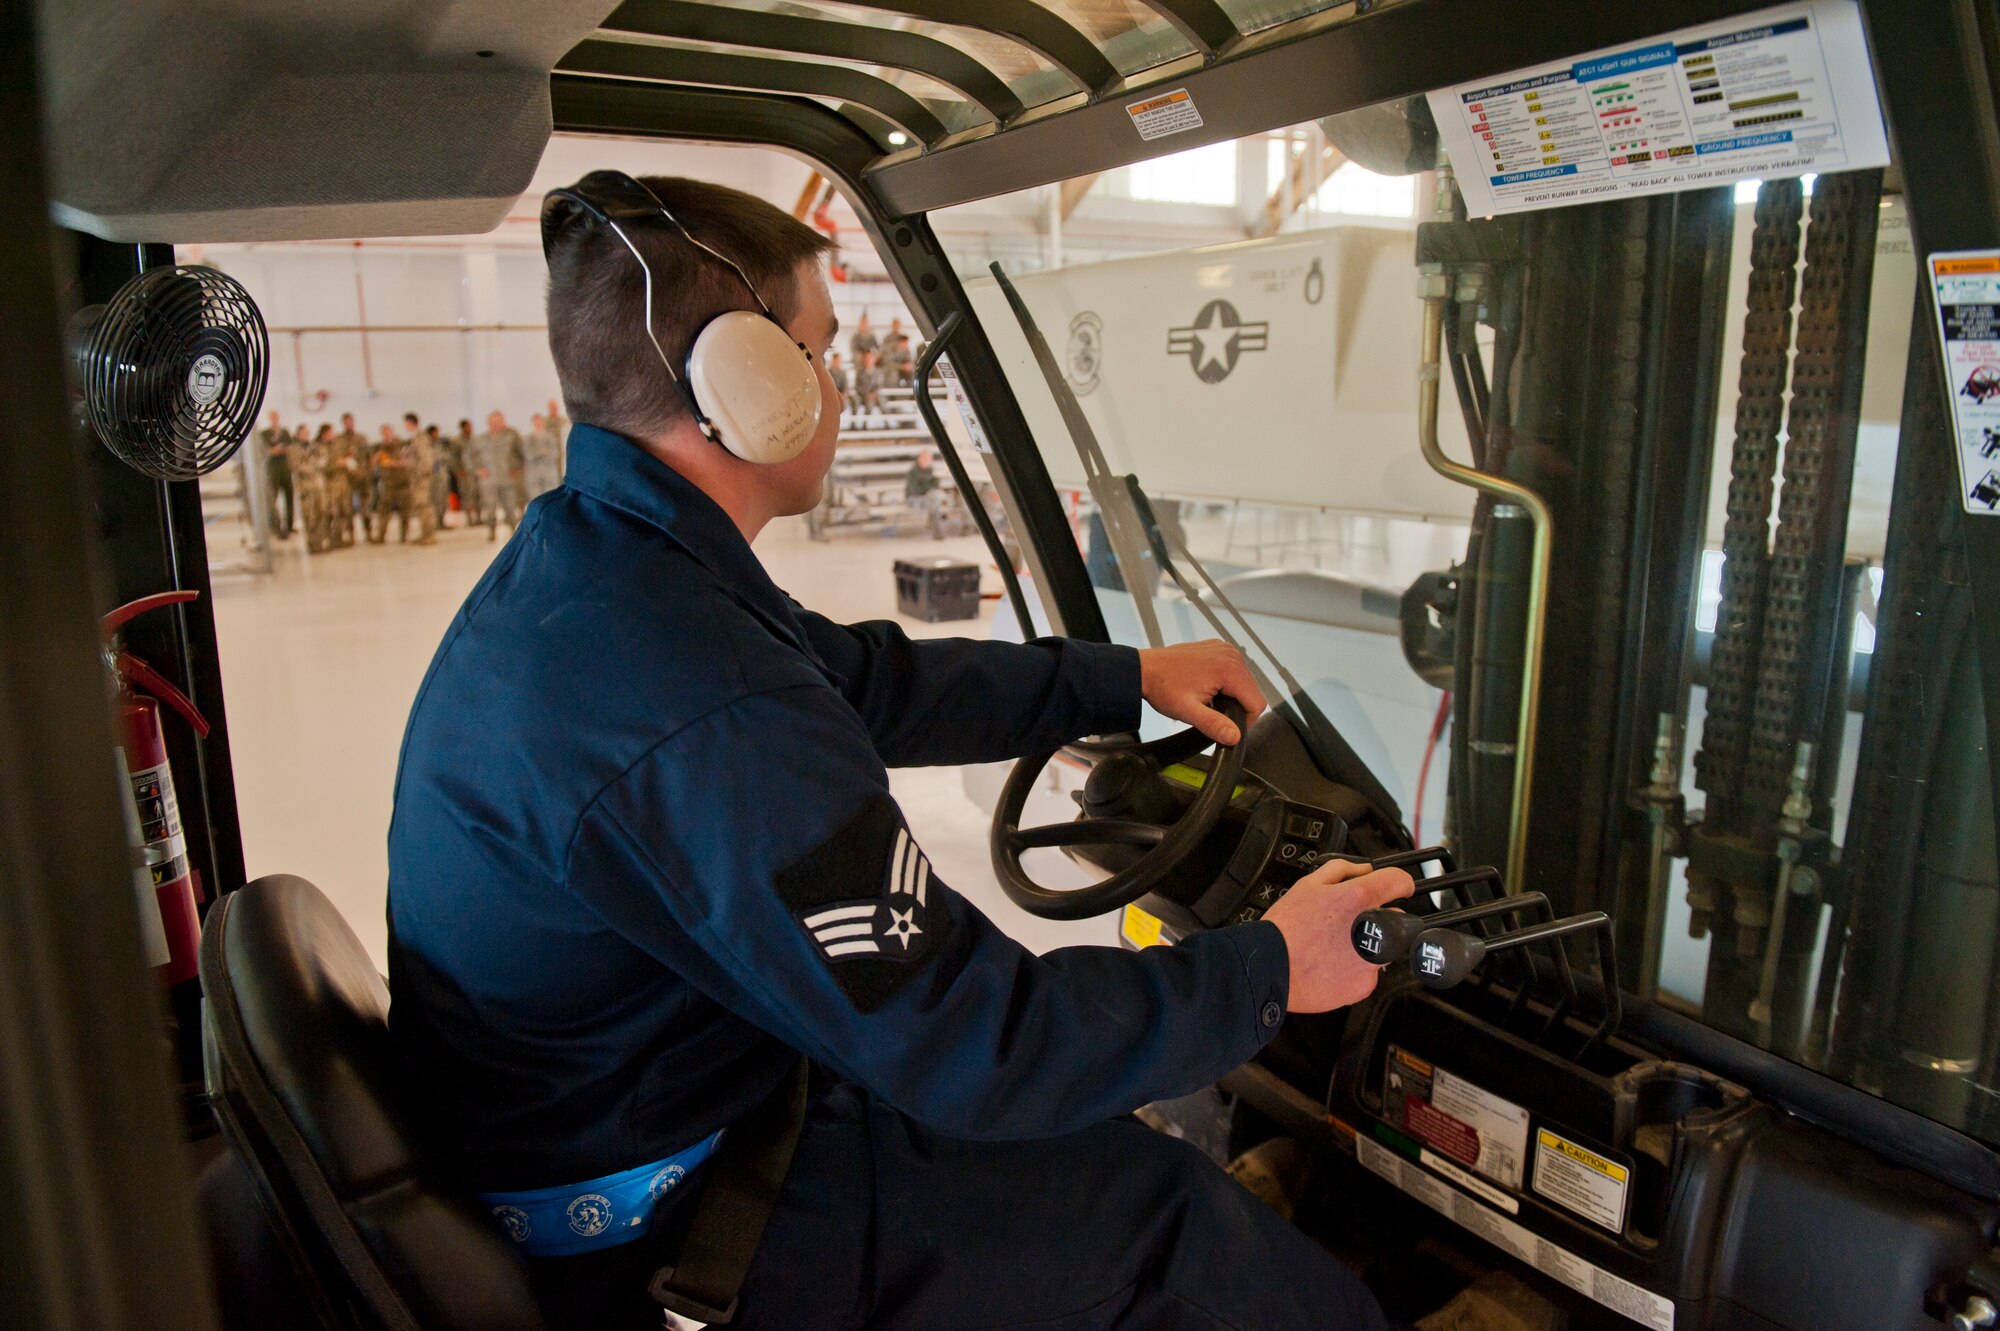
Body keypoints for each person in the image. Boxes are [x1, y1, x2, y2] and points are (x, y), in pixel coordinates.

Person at [389, 171, 1413, 1331]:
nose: (828, 383)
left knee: (1081, 1132)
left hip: (658, 1112)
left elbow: (858, 678)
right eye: (818, 352)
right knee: (1164, 1223)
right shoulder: (695, 701)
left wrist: (1116, 679)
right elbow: (972, 1039)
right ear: (747, 384)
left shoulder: (612, 568)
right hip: (669, 1228)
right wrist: (1270, 969)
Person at [471, 409, 524, 541]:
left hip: (507, 478)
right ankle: (491, 531)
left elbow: (521, 453)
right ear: (488, 423)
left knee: (510, 506)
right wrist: (478, 469)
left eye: (499, 422)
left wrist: (516, 469)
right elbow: (470, 456)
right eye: (493, 422)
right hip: (488, 480)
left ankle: (514, 531)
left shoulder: (511, 436)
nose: (496, 425)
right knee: (489, 507)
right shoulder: (480, 439)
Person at [332, 411, 370, 538]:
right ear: (343, 423)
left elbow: (368, 457)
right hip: (347, 478)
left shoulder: (361, 438)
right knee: (347, 507)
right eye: (346, 422)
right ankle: (351, 534)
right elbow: (336, 458)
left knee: (365, 507)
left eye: (351, 421)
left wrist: (367, 472)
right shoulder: (338, 440)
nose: (349, 424)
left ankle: (368, 531)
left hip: (362, 476)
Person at [256, 409, 294, 538]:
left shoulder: (284, 432)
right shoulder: (265, 434)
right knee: (273, 496)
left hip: (285, 466)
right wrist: (274, 450)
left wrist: (279, 449)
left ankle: (290, 525)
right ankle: (275, 525)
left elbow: (289, 448)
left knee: (289, 495)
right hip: (272, 467)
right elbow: (267, 450)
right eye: (272, 417)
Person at [521, 412, 564, 502]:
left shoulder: (551, 437)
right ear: (532, 423)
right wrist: (543, 451)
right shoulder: (528, 438)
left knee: (551, 499)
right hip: (533, 474)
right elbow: (528, 455)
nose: (538, 424)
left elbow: (554, 454)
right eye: (536, 422)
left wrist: (537, 452)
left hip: (549, 473)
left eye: (540, 422)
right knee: (535, 500)